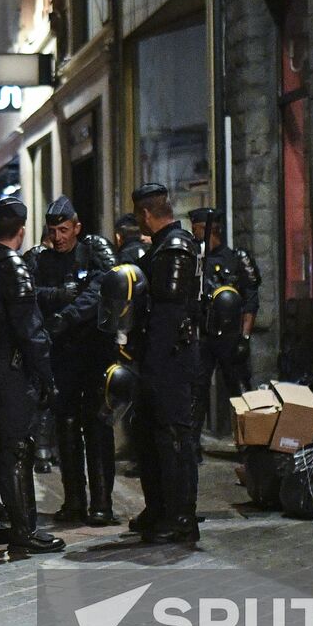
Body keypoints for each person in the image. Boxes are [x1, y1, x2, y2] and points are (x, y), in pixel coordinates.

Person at [0, 197, 65, 553]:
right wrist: (47, 377)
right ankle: (23, 530)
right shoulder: (13, 268)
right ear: (21, 231)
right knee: (17, 448)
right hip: (9, 370)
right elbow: (30, 330)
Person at [32, 195, 119, 525]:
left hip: (94, 355)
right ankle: (74, 501)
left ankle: (102, 503)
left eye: (64, 229)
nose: (58, 237)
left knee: (97, 428)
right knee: (66, 430)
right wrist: (56, 298)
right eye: (53, 230)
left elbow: (101, 290)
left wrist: (65, 315)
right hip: (62, 357)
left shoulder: (94, 252)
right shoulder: (43, 261)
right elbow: (33, 293)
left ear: (77, 227)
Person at [131, 183, 203, 544]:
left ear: (146, 214)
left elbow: (168, 315)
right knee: (149, 435)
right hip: (156, 358)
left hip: (170, 358)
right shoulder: (160, 248)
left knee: (174, 437)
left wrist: (152, 366)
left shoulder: (174, 249)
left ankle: (180, 517)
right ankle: (158, 507)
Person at [186, 206, 260, 446]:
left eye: (196, 227)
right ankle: (192, 445)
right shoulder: (197, 260)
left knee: (239, 390)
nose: (193, 232)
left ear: (207, 229)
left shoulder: (237, 259)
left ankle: (250, 444)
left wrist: (245, 338)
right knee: (197, 390)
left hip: (230, 337)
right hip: (205, 335)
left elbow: (250, 300)